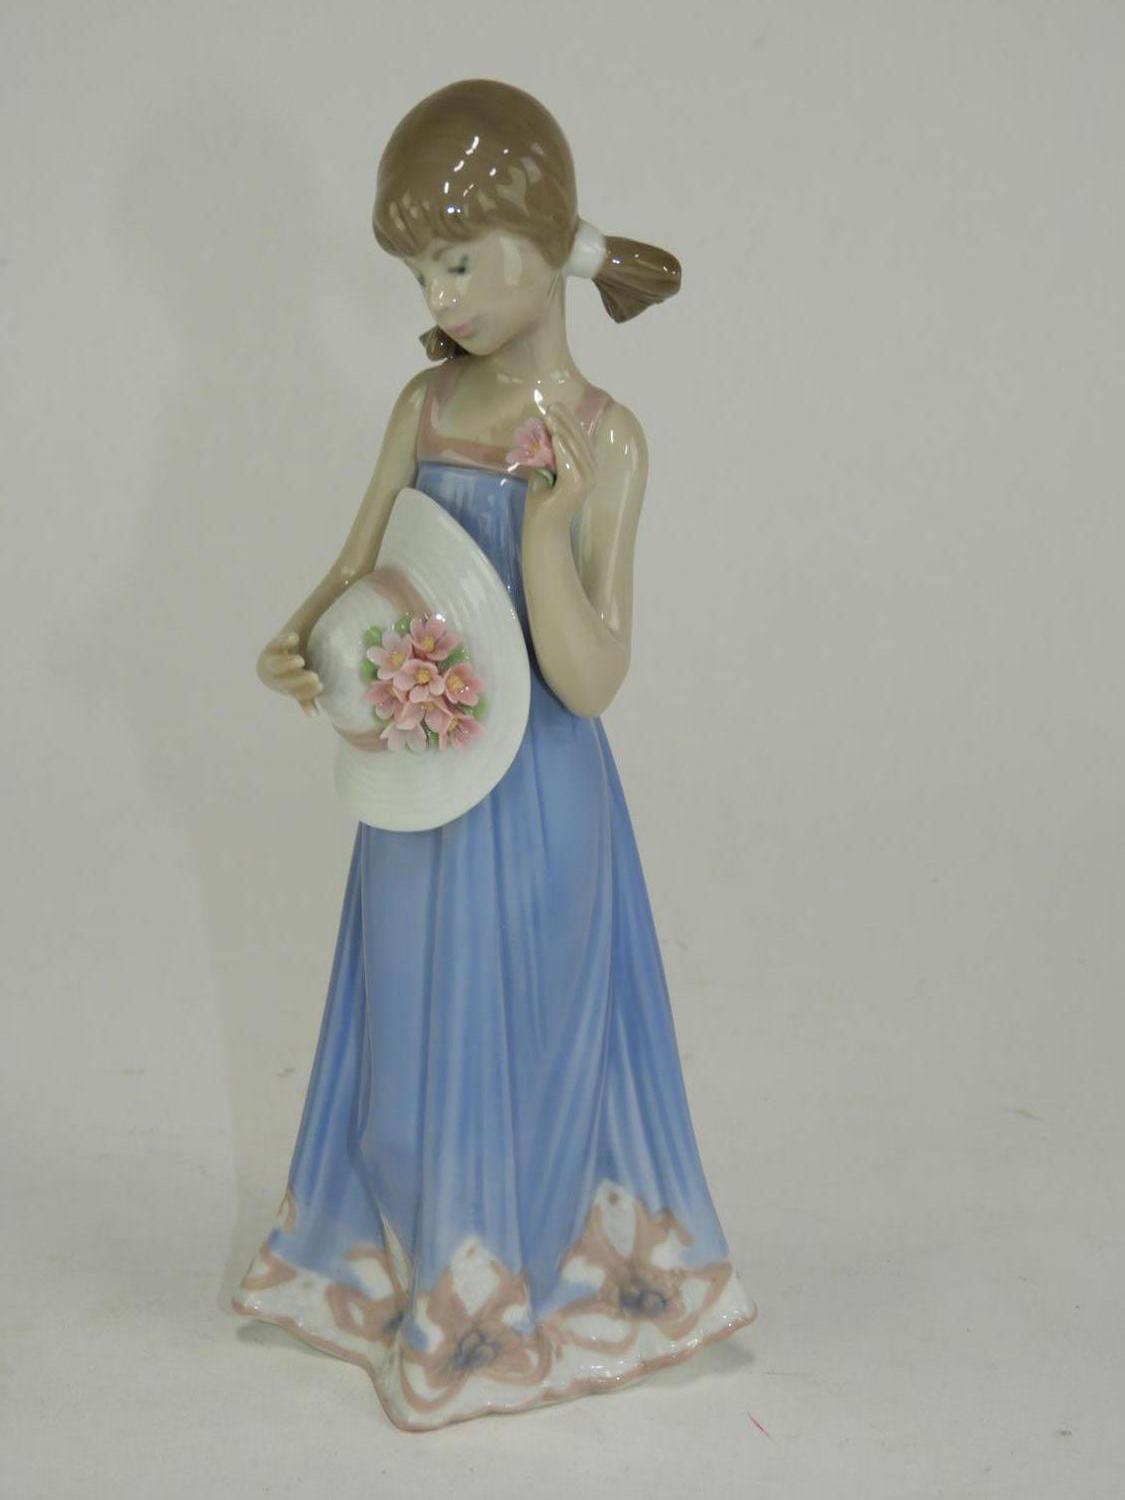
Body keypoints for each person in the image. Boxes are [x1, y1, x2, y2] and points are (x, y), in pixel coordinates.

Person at [233, 78, 755, 1432]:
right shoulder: (423, 406)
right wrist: (302, 638)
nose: (440, 296)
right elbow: (358, 563)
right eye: (421, 272)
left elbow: (593, 679)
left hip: (543, 797)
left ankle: (513, 1287)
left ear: (545, 240)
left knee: (530, 1042)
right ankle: (418, 1263)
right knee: (408, 1030)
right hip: (419, 785)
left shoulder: (605, 439)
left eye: (460, 261)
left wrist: (542, 530)